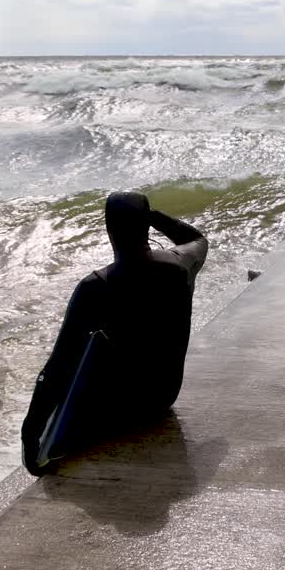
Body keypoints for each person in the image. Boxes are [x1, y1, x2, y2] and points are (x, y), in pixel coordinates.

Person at [20, 192, 208, 475]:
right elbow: (198, 239)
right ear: (146, 226)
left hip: (117, 409)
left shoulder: (95, 286)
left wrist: (29, 433)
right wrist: (154, 217)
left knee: (77, 353)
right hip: (163, 396)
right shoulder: (180, 267)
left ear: (108, 230)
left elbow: (57, 367)